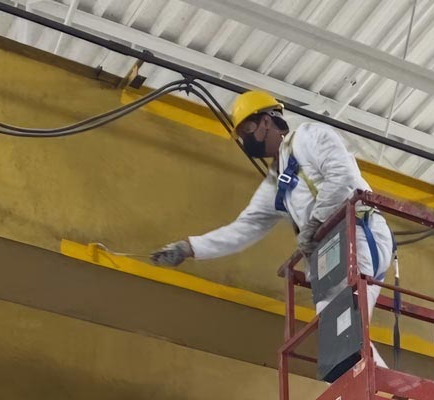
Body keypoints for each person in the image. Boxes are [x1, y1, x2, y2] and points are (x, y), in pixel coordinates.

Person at [149, 89, 394, 352]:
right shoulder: (277, 181)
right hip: (331, 253)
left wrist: (314, 223)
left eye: (247, 129)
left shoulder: (308, 136)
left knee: (346, 332)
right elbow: (245, 228)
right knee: (338, 340)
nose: (244, 139)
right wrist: (189, 248)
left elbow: (342, 176)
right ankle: (375, 378)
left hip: (359, 233)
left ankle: (369, 373)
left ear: (266, 121)